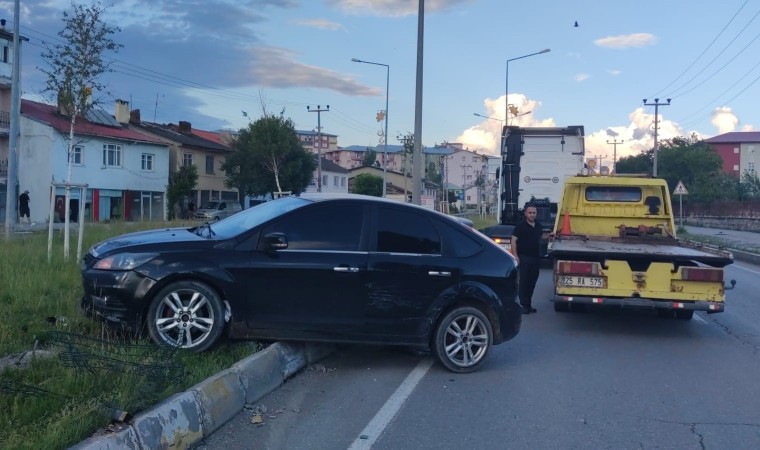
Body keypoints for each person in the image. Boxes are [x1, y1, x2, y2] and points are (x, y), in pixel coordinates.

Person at [510, 204, 551, 314]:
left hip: (535, 258)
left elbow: (542, 237)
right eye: (530, 213)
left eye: (534, 213)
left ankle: (528, 305)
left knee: (532, 282)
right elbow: (513, 240)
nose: (532, 215)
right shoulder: (520, 226)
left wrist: (551, 235)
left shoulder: (538, 226)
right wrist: (515, 255)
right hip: (524, 257)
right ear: (525, 213)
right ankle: (523, 305)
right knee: (523, 282)